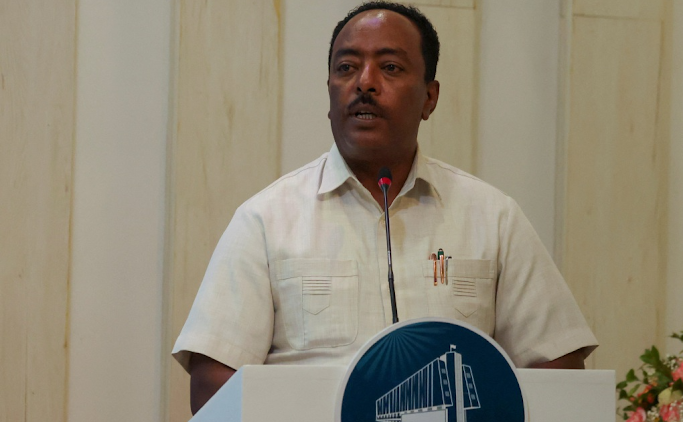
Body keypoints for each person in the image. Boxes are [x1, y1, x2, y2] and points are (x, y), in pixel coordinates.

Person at [173, 0, 598, 414]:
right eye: (346, 67)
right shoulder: (265, 221)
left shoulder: (493, 217)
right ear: (329, 92)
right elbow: (216, 385)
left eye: (390, 67)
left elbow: (557, 367)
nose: (364, 82)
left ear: (430, 98)